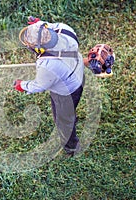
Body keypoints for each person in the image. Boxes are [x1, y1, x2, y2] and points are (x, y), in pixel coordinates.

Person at [14, 17, 85, 156]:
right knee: (70, 111)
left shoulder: (47, 65)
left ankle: (71, 148)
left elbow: (38, 85)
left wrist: (22, 85)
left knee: (63, 120)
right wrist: (38, 24)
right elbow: (50, 26)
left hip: (67, 92)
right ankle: (71, 116)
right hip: (78, 73)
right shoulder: (66, 30)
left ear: (39, 48)